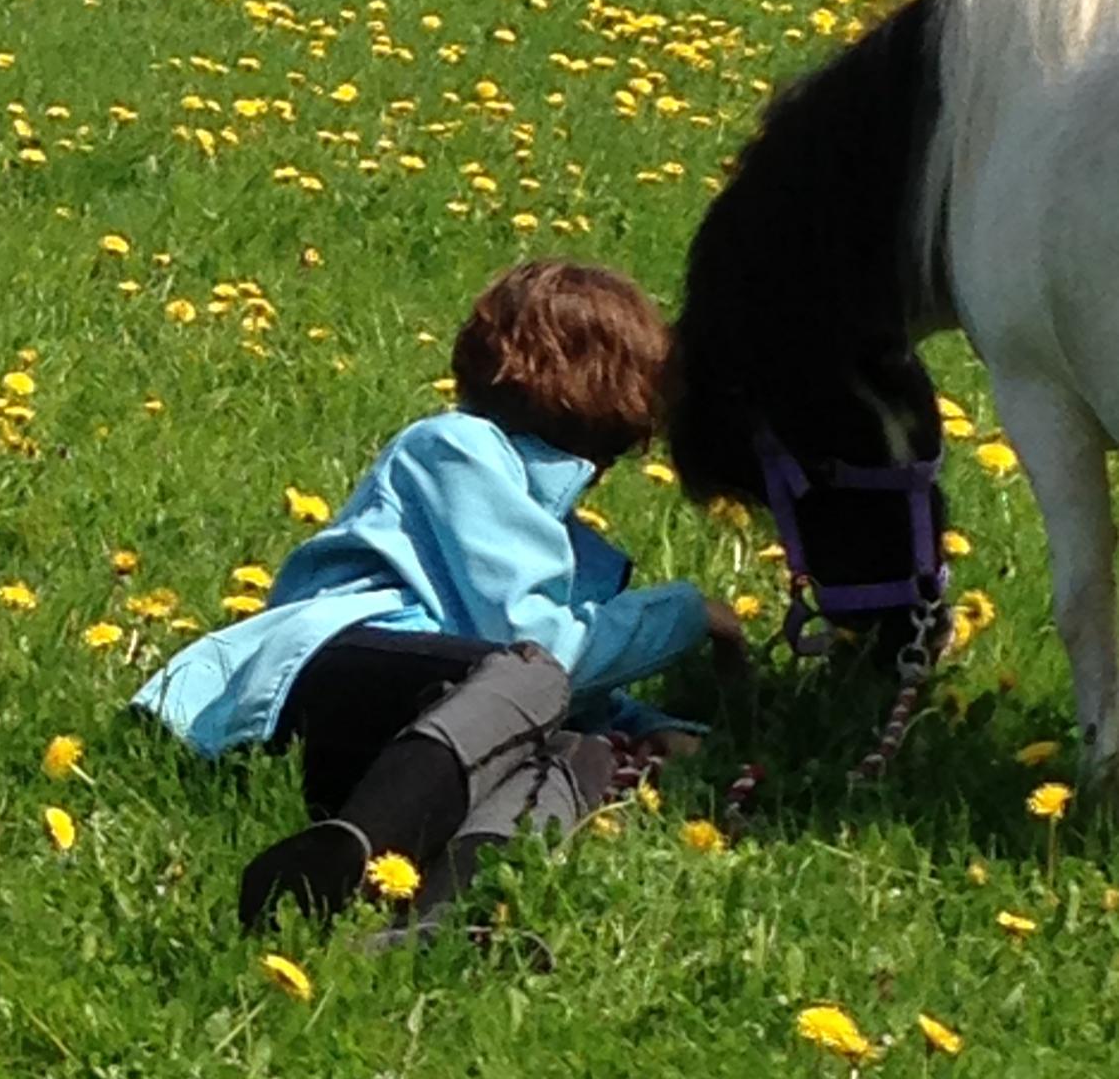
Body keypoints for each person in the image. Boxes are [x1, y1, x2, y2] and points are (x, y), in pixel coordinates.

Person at [131, 259, 745, 932]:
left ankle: (442, 917)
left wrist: (643, 727)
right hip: (329, 678)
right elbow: (541, 649)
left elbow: (531, 680)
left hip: (429, 732)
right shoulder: (460, 449)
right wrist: (686, 614)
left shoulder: (556, 531)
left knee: (579, 751)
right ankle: (350, 855)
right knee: (531, 677)